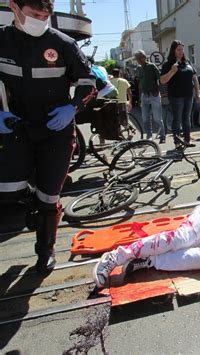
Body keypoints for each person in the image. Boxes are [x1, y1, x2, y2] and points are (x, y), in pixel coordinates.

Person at [0, 0, 96, 271]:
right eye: (34, 14)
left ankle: (45, 251)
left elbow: (89, 83)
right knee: (7, 189)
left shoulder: (63, 43)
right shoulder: (2, 41)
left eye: (45, 16)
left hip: (56, 130)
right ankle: (37, 207)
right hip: (17, 127)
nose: (40, 20)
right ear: (14, 8)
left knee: (49, 196)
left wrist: (72, 107)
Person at [160, 40, 200, 148]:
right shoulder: (168, 64)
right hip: (176, 96)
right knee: (177, 119)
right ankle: (177, 142)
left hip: (188, 95)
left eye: (182, 49)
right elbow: (162, 80)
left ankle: (187, 141)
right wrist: (172, 71)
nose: (181, 52)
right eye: (179, 50)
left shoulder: (187, 62)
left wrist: (198, 92)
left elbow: (195, 78)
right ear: (173, 50)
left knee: (186, 118)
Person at [134, 50, 166, 143]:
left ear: (144, 57)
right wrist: (140, 97)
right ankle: (149, 136)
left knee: (157, 118)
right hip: (144, 95)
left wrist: (158, 91)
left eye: (140, 58)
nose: (138, 60)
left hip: (154, 95)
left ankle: (162, 136)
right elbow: (140, 83)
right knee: (145, 118)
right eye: (137, 59)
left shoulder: (151, 66)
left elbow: (160, 79)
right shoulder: (139, 68)